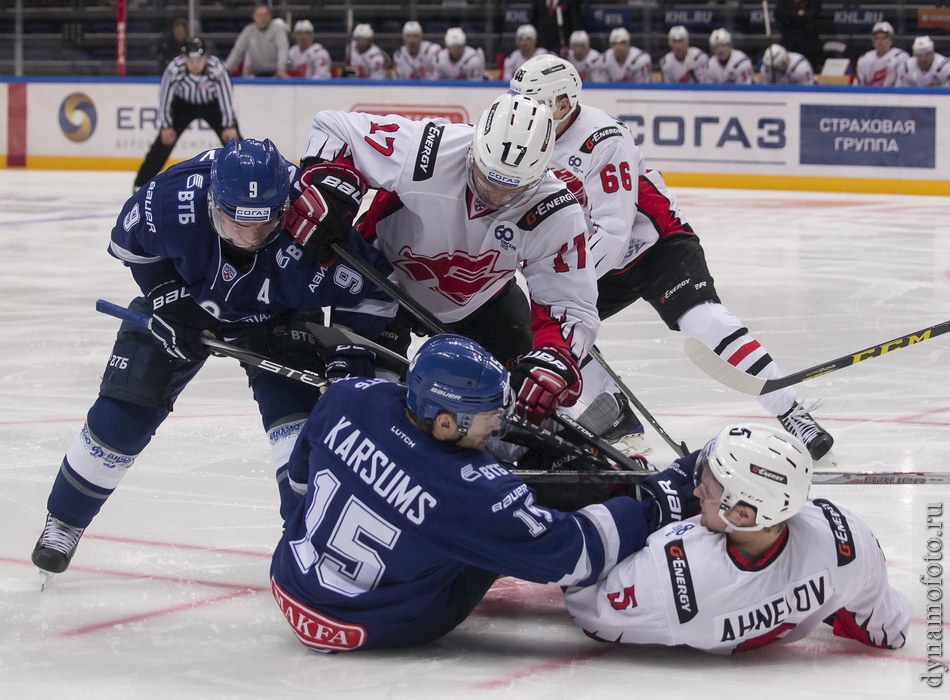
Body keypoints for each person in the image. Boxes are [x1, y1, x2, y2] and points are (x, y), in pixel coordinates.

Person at [31, 138, 396, 585]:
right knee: (124, 410)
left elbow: (375, 293)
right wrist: (167, 297)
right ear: (211, 202)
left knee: (300, 433)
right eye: (237, 222)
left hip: (277, 316)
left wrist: (346, 357)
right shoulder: (173, 197)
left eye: (266, 224)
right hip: (187, 299)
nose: (251, 236)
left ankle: (309, 544)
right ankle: (65, 520)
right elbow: (129, 245)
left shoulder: (313, 220)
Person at [269, 333, 699, 652]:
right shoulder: (469, 495)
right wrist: (653, 506)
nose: (496, 424)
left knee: (472, 511)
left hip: (291, 580)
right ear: (443, 421)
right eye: (486, 416)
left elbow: (301, 482)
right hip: (380, 622)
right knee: (511, 509)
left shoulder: (350, 395)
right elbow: (574, 555)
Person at [509, 55, 836, 461]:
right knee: (549, 327)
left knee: (704, 320)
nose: (522, 112)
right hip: (597, 254)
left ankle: (791, 411)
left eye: (534, 104)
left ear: (562, 104)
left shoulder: (603, 138)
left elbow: (614, 231)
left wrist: (563, 284)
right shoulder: (526, 133)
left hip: (656, 246)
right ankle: (614, 414)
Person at [291, 93, 598, 426]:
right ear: (474, 149)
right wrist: (330, 185)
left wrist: (554, 359)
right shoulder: (429, 148)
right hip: (384, 286)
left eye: (512, 190)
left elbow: (570, 304)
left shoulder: (554, 210)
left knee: (530, 400)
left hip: (481, 300)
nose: (494, 197)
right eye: (487, 177)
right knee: (368, 406)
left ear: (540, 176)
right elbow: (334, 127)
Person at [564, 423, 911, 653]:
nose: (698, 489)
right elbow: (886, 631)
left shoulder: (674, 572)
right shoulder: (848, 539)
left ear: (743, 514)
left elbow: (588, 605)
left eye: (709, 488)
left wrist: (638, 508)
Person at [133, 38, 241, 192]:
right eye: (191, 60)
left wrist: (229, 125)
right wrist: (166, 125)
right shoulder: (174, 69)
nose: (195, 65)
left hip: (212, 105)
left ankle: (245, 177)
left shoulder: (217, 68)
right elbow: (164, 98)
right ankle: (140, 185)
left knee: (234, 142)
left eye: (199, 60)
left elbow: (226, 98)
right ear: (185, 58)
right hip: (183, 106)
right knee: (163, 143)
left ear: (205, 58)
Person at [224, 2, 290, 78]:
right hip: (257, 74)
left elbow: (282, 48)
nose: (263, 18)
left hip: (276, 74)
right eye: (260, 16)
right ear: (254, 16)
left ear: (270, 16)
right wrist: (226, 70)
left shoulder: (278, 30)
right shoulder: (248, 31)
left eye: (265, 15)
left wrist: (281, 68)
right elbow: (238, 51)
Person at [854, 21, 908, 86]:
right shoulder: (864, 58)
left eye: (883, 38)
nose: (880, 42)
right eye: (877, 38)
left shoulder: (900, 56)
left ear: (890, 39)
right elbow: (858, 83)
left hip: (892, 94)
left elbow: (902, 83)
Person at [774, 0, 823, 71]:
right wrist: (797, 13)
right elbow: (778, 14)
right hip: (788, 43)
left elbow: (811, 16)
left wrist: (789, 18)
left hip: (808, 44)